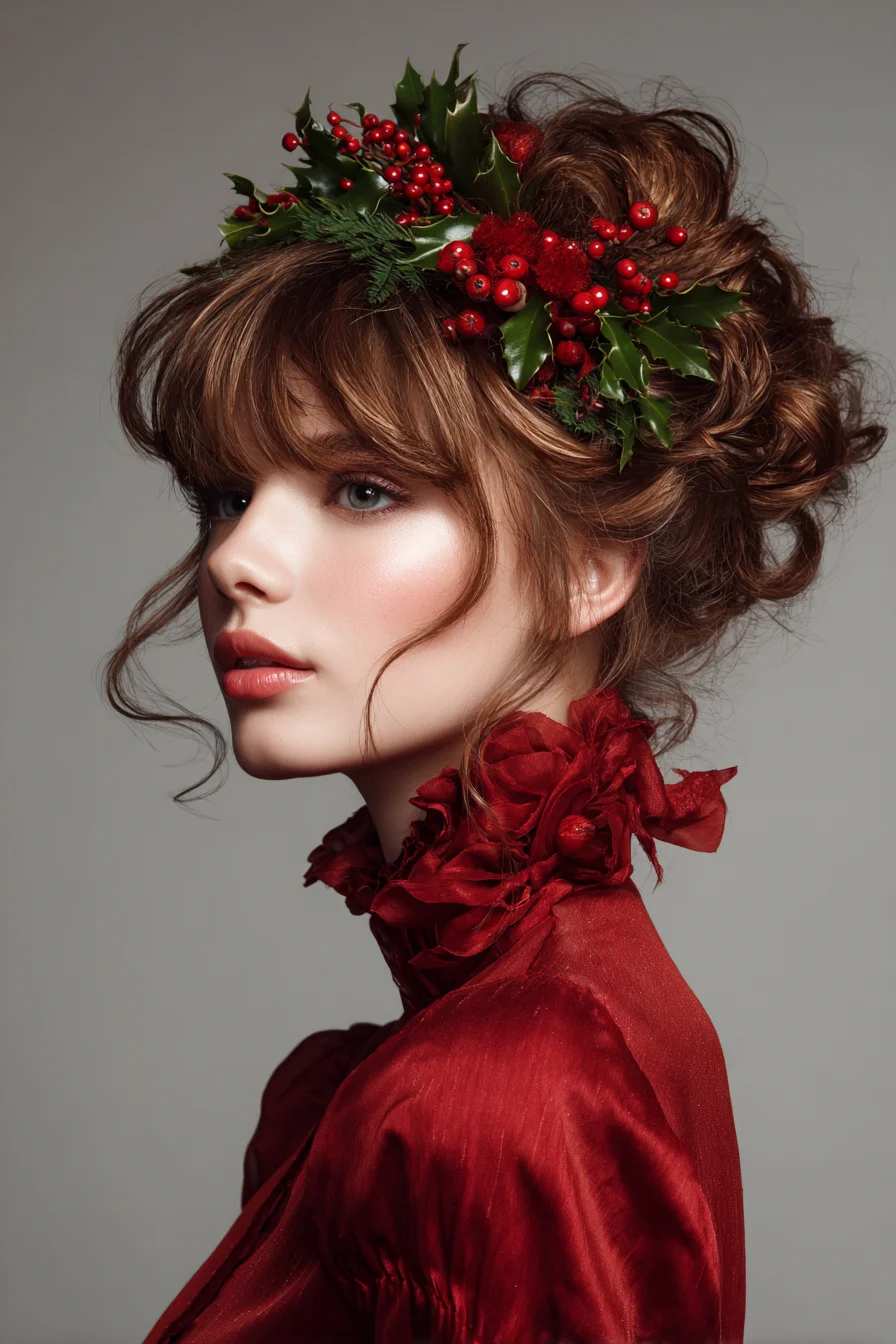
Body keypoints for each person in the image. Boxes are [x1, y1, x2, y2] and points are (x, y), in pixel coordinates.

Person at [102, 50, 886, 1344]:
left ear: (588, 567)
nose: (237, 560)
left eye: (363, 489)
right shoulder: (512, 1028)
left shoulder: (507, 1084)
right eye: (228, 494)